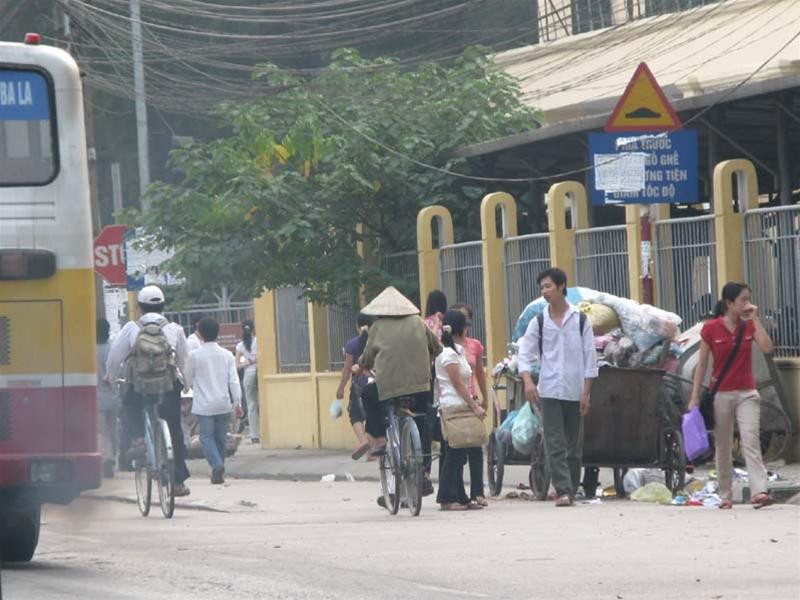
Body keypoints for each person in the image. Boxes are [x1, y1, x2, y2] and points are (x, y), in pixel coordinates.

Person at [688, 282, 775, 509]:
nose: (747, 303)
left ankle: (759, 491)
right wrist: (695, 396)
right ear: (729, 303)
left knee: (750, 441)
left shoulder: (748, 327)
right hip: (721, 394)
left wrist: (755, 319)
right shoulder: (711, 328)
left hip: (747, 392)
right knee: (723, 445)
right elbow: (702, 365)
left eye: (749, 299)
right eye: (743, 300)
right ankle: (725, 494)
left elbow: (767, 348)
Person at [517, 268, 598, 507]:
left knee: (574, 445)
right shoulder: (539, 321)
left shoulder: (581, 320)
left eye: (548, 286)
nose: (545, 292)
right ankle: (563, 490)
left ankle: (570, 489)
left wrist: (586, 393)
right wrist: (528, 381)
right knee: (554, 442)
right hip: (549, 390)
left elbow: (590, 359)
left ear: (562, 286)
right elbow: (525, 353)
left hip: (574, 390)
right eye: (542, 287)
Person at [357, 286, 442, 503]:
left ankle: (379, 441)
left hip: (389, 386)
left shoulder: (377, 327)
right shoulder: (418, 322)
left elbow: (367, 359)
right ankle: (422, 469)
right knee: (421, 418)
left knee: (368, 394)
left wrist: (362, 365)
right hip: (421, 385)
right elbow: (437, 348)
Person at [106, 285, 191, 497]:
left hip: (139, 386)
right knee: (175, 430)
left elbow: (115, 358)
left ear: (139, 308)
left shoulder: (130, 328)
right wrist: (187, 384)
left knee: (129, 405)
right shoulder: (175, 329)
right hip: (168, 387)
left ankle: (138, 439)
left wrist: (111, 376)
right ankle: (178, 481)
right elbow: (185, 361)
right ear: (163, 306)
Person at [435, 310, 487, 511]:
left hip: (461, 404)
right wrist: (475, 406)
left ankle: (460, 495)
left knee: (458, 451)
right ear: (461, 329)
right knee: (455, 453)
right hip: (453, 406)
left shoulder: (456, 350)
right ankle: (446, 498)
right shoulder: (447, 353)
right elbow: (457, 383)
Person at [185, 317, 244, 484]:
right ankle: (218, 470)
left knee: (206, 437)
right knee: (220, 437)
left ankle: (217, 465)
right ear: (218, 333)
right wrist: (237, 403)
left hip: (204, 405)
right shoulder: (226, 355)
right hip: (223, 403)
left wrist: (185, 388)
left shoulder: (194, 356)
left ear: (200, 334)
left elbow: (187, 379)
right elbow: (233, 380)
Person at [449, 304, 488, 506]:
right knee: (456, 449)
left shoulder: (474, 345)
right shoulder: (445, 348)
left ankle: (478, 491)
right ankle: (458, 492)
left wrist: (485, 398)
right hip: (454, 402)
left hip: (472, 398)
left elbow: (480, 372)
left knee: (475, 446)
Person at [335, 313, 375, 460]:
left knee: (355, 415)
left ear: (357, 326)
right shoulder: (376, 341)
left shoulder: (352, 344)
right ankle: (371, 452)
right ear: (372, 326)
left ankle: (364, 442)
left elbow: (347, 369)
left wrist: (340, 389)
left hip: (359, 384)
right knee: (373, 415)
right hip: (375, 382)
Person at [96, 318, 121, 479]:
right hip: (114, 395)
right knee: (113, 428)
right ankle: (114, 456)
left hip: (97, 396)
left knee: (101, 430)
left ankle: (107, 456)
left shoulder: (88, 350)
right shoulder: (113, 349)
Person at [234, 320, 259, 443]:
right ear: (254, 328)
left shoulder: (240, 346)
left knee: (251, 404)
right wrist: (255, 361)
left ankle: (255, 435)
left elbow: (237, 365)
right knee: (263, 404)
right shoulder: (259, 341)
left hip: (248, 374)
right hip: (261, 372)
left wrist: (249, 362)